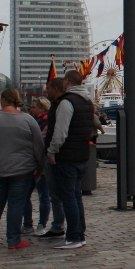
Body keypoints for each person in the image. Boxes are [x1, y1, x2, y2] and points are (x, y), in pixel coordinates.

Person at [0, 88, 44, 250]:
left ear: (3, 100)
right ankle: (13, 239)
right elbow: (38, 147)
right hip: (22, 168)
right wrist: (40, 166)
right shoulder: (28, 120)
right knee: (16, 204)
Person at [46, 70, 95, 249]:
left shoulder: (67, 102)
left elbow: (60, 132)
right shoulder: (87, 102)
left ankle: (74, 236)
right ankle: (79, 233)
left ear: (67, 81)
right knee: (76, 197)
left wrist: (52, 151)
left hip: (66, 156)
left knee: (68, 197)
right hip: (82, 154)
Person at [37, 78, 67, 240]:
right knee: (58, 195)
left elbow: (59, 133)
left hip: (58, 156)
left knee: (61, 194)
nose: (46, 91)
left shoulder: (62, 105)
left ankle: (63, 227)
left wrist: (51, 152)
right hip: (60, 155)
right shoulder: (58, 105)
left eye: (48, 89)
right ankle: (58, 225)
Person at [23, 97, 54, 236]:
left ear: (42, 108)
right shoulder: (29, 121)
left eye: (34, 107)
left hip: (42, 163)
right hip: (29, 162)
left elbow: (42, 143)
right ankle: (27, 224)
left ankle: (41, 224)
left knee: (44, 195)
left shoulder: (46, 123)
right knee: (25, 195)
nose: (31, 109)